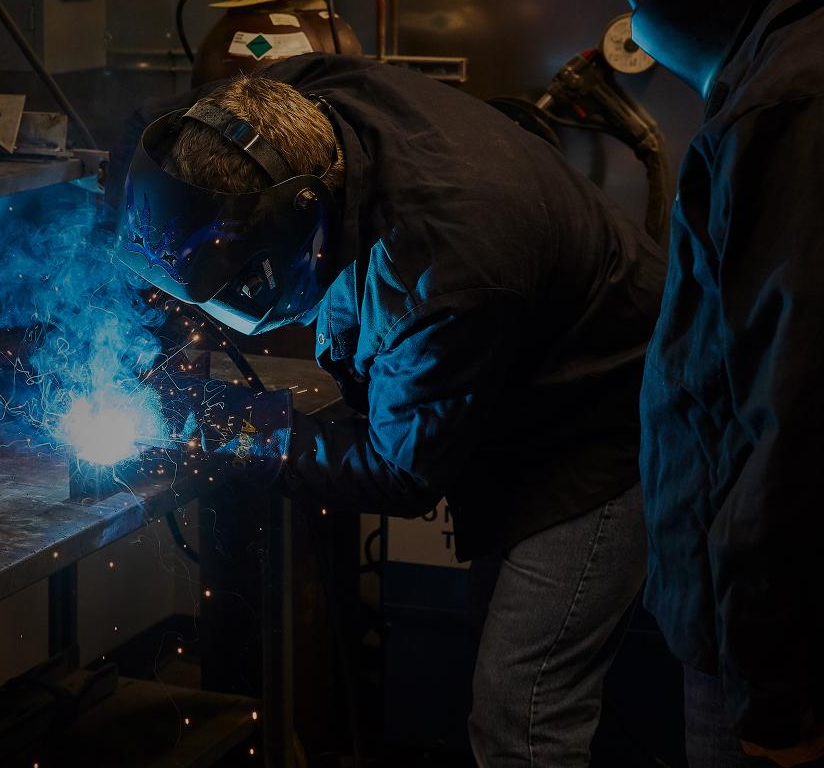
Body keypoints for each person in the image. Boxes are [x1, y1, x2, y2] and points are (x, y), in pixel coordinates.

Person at [113, 52, 666, 766]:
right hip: (527, 362)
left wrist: (228, 422)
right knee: (500, 640)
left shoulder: (444, 266)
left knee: (522, 709)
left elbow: (400, 468)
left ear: (305, 215)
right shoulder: (280, 107)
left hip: (607, 426)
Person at [569, 0, 824, 765]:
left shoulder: (794, 94)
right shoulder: (784, 70)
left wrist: (776, 700)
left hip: (773, 666)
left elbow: (795, 414)